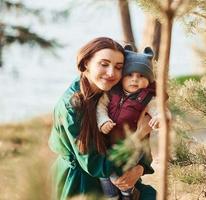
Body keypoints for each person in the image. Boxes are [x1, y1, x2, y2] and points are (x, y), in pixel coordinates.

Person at [48, 37, 156, 200]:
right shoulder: (72, 107)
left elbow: (144, 144)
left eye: (118, 67)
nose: (111, 73)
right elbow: (95, 165)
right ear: (86, 64)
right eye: (104, 64)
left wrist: (139, 169)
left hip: (121, 175)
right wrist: (137, 136)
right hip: (82, 183)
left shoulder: (118, 93)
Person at [96, 45, 163, 200]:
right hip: (111, 143)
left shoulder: (148, 98)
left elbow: (159, 109)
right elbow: (101, 107)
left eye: (141, 76)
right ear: (122, 77)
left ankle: (128, 194)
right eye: (130, 75)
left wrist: (159, 118)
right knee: (107, 174)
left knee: (124, 174)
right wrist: (103, 121)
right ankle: (112, 196)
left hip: (135, 147)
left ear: (148, 80)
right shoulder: (113, 92)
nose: (135, 79)